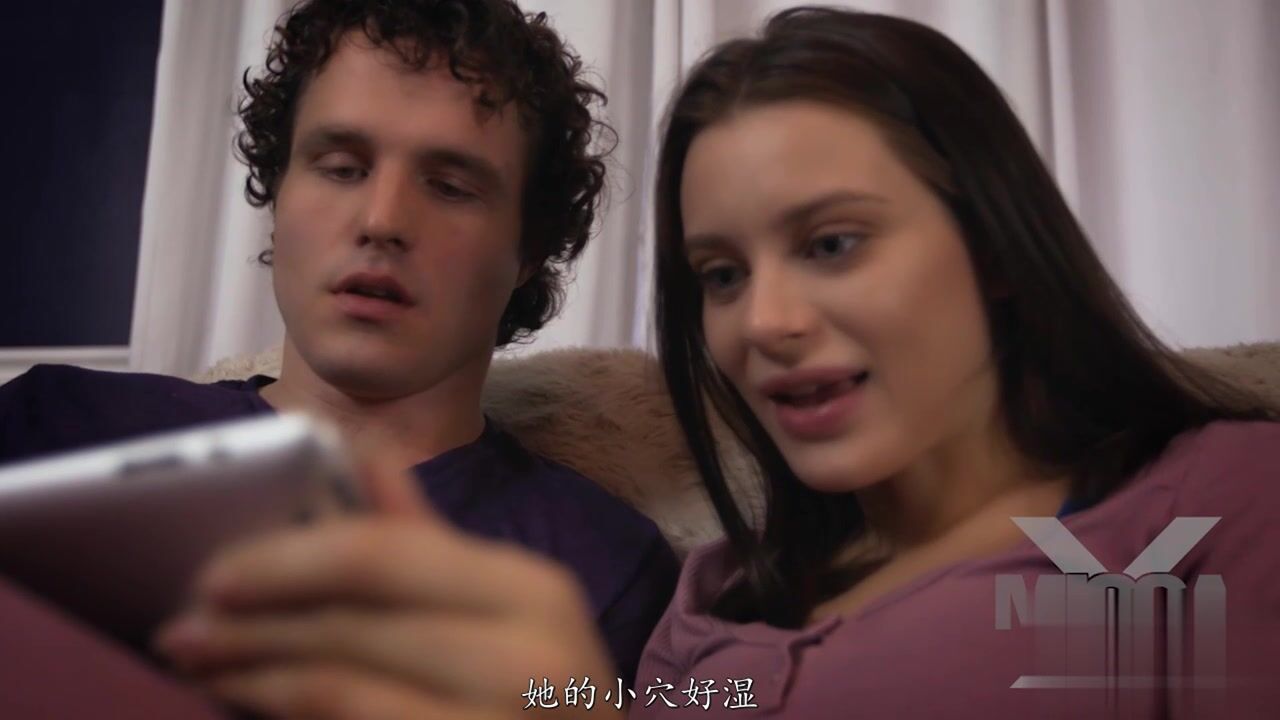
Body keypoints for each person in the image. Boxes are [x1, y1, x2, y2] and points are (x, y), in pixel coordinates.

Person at [152, 6, 1280, 720]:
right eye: (721, 274)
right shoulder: (717, 608)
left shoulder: (1210, 514)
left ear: (993, 245)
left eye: (831, 244)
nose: (763, 323)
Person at [0, 0, 678, 714]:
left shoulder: (604, 567)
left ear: (528, 250)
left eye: (450, 187)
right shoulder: (55, 427)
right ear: (279, 196)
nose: (382, 220)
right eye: (342, 168)